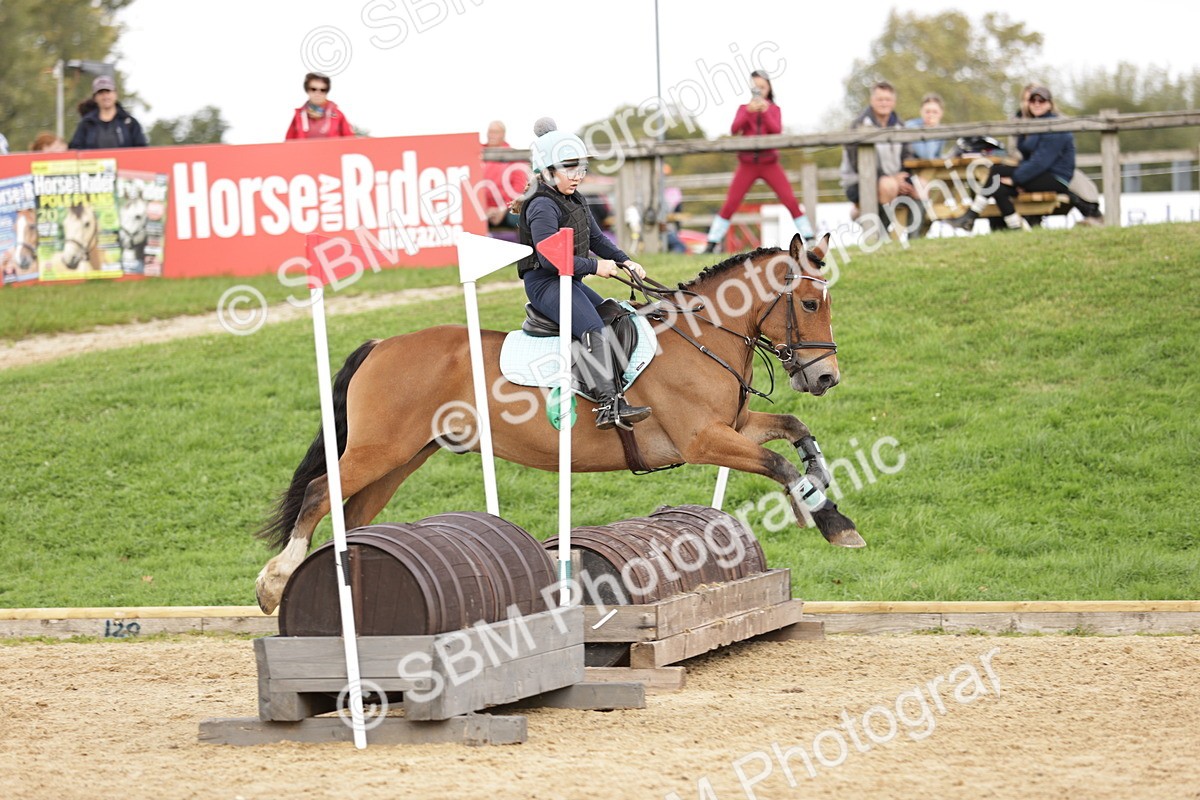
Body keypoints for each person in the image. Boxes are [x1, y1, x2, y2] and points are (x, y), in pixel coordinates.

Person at [515, 118, 651, 431]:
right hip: (545, 283)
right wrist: (595, 266)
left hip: (567, 279)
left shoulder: (573, 197)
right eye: (570, 169)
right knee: (593, 327)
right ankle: (608, 406)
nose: (578, 176)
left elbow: (597, 239)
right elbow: (551, 259)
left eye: (581, 168)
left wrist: (625, 261)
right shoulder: (541, 206)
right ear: (548, 171)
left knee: (613, 314)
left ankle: (612, 387)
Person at [703, 71, 814, 253]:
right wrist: (748, 112)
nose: (759, 91)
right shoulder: (743, 108)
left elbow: (776, 130)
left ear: (768, 88)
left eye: (762, 87)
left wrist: (765, 112)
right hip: (747, 164)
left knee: (790, 200)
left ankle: (809, 237)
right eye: (755, 87)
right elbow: (734, 129)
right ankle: (711, 242)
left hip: (770, 163)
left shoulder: (774, 109)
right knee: (731, 202)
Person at [947, 85, 1074, 233]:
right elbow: (1025, 152)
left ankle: (971, 216)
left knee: (996, 170)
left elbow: (1040, 162)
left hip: (1056, 178)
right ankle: (1016, 229)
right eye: (1033, 100)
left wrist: (1016, 179)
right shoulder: (1035, 125)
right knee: (998, 188)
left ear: (1050, 104)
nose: (1037, 103)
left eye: (1042, 100)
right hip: (1040, 174)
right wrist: (1020, 125)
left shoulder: (1055, 126)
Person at [839, 80, 920, 229]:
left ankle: (916, 240)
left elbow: (908, 154)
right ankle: (879, 237)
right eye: (880, 99)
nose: (884, 103)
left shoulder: (900, 125)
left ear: (894, 102)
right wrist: (891, 179)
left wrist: (904, 175)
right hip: (859, 181)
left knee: (921, 187)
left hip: (895, 179)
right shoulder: (858, 125)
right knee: (887, 186)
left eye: (887, 99)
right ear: (872, 100)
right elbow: (858, 164)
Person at [68, 76, 148, 149]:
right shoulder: (87, 123)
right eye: (101, 93)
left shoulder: (129, 123)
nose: (105, 96)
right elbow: (75, 149)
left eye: (108, 91)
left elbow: (142, 150)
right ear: (95, 97)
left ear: (115, 94)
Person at [479, 120, 528, 230]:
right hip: (480, 208)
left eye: (495, 132)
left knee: (519, 217)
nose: (491, 135)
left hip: (505, 209)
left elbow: (518, 189)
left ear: (503, 135)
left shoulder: (513, 157)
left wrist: (502, 209)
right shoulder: (477, 154)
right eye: (490, 132)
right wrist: (484, 209)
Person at [285, 72, 354, 140]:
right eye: (313, 89)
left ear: (327, 91)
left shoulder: (338, 115)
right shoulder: (298, 116)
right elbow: (288, 143)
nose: (318, 93)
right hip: (305, 151)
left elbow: (350, 141)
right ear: (307, 90)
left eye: (323, 90)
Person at [905, 93, 946, 160]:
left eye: (935, 112)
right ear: (921, 112)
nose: (931, 115)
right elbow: (927, 156)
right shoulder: (912, 126)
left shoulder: (941, 130)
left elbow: (937, 157)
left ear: (941, 113)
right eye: (927, 112)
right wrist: (931, 129)